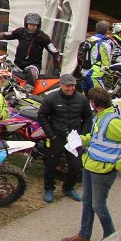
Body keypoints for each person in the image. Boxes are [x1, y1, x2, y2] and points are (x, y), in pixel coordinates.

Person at [61, 87, 121, 241]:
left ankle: (111, 240)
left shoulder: (114, 122)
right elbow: (96, 138)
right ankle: (84, 236)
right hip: (90, 166)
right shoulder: (99, 117)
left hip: (103, 171)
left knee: (98, 205)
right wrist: (81, 139)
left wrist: (119, 166)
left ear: (94, 103)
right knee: (87, 202)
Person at [37, 74, 92, 203]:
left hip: (74, 138)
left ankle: (68, 188)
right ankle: (49, 189)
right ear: (61, 85)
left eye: (73, 85)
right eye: (68, 86)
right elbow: (42, 116)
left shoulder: (82, 99)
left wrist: (82, 135)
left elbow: (88, 118)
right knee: (51, 164)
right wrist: (51, 135)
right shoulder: (51, 98)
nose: (70, 88)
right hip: (56, 137)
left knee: (76, 166)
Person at [0, 13, 62, 84]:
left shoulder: (44, 37)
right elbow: (6, 35)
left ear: (38, 25)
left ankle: (29, 88)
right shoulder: (20, 32)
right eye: (30, 25)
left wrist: (57, 69)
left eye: (34, 25)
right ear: (26, 24)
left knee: (32, 73)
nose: (32, 27)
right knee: (2, 69)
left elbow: (55, 52)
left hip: (33, 65)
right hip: (18, 64)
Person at [82, 20, 113, 92]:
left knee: (86, 97)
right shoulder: (104, 44)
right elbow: (106, 64)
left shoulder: (88, 39)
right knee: (100, 97)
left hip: (83, 72)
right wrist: (110, 78)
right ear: (107, 31)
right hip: (95, 75)